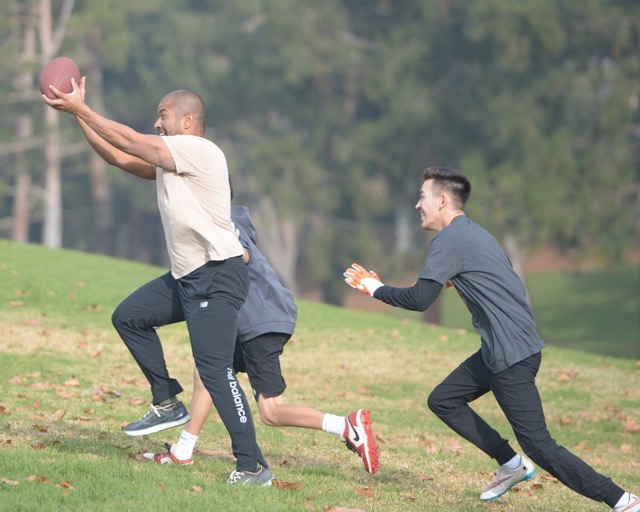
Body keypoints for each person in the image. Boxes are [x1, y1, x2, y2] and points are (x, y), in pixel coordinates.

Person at [343, 166, 639, 510]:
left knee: (540, 446)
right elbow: (479, 278)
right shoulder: (474, 234)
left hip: (509, 356)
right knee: (443, 399)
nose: (417, 205)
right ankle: (511, 464)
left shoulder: (449, 240)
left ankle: (622, 500)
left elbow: (421, 300)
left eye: (422, 197)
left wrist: (375, 289)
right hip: (505, 349)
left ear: (442, 200)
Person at [43, 79, 272, 485]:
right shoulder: (172, 158)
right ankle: (167, 401)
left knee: (215, 371)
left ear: (187, 119)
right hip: (188, 277)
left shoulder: (199, 150)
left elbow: (132, 141)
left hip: (216, 275)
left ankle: (252, 465)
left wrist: (82, 110)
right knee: (129, 316)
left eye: (162, 115)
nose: (156, 122)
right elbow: (119, 156)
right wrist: (78, 115)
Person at [141, 204, 380, 475]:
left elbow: (241, 253)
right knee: (206, 371)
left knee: (271, 411)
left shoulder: (224, 216)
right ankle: (182, 452)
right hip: (253, 319)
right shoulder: (221, 215)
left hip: (259, 321)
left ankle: (346, 425)